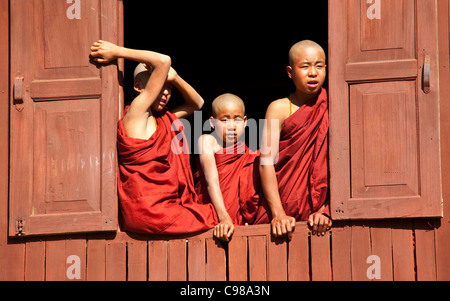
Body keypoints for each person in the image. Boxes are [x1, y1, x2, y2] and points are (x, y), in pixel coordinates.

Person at [90, 40, 218, 235]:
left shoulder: (162, 119)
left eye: (169, 88)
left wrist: (175, 79)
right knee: (213, 216)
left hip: (158, 207)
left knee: (210, 214)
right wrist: (117, 52)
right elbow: (163, 60)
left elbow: (197, 103)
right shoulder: (136, 112)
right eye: (160, 83)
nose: (166, 92)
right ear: (138, 86)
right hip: (151, 210)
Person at [258, 40, 332, 240]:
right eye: (305, 66)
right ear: (290, 72)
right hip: (282, 205)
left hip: (320, 213)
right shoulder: (279, 108)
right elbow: (265, 162)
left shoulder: (335, 104)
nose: (313, 73)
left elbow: (347, 163)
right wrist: (278, 213)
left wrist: (328, 209)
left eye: (319, 66)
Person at [194, 94, 265, 242]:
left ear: (245, 122)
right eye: (225, 120)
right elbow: (211, 180)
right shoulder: (207, 141)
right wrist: (224, 217)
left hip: (240, 224)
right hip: (213, 218)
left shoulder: (251, 156)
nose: (232, 126)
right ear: (212, 122)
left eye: (237, 119)